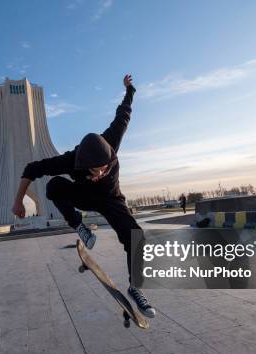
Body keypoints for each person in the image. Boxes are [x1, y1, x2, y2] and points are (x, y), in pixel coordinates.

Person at [12, 74, 155, 318]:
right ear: (82, 164)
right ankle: (79, 225)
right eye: (93, 171)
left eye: (103, 169)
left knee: (137, 237)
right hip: (84, 197)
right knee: (54, 187)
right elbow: (32, 169)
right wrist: (19, 200)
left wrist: (129, 89)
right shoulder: (71, 160)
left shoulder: (112, 139)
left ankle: (136, 288)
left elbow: (124, 113)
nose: (99, 173)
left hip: (112, 200)